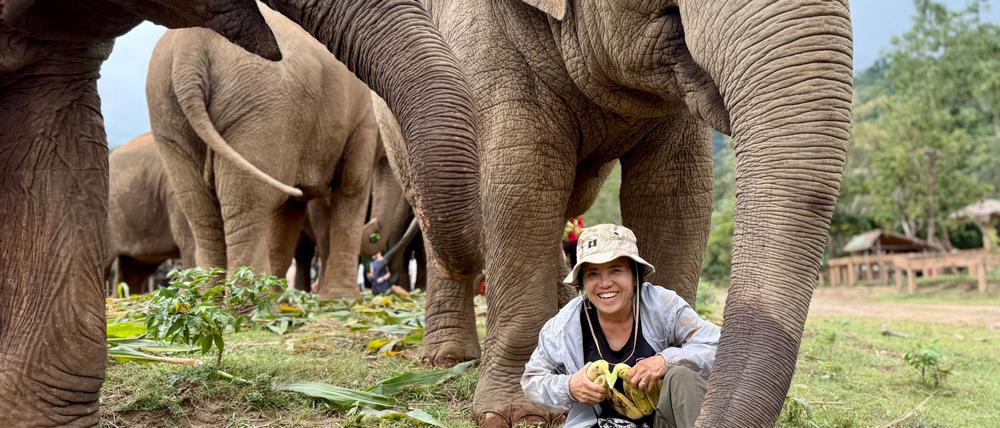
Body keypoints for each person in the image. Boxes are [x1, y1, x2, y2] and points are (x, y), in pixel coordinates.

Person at [522, 224, 720, 428]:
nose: (605, 283)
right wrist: (569, 387)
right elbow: (532, 380)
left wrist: (665, 361)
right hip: (596, 425)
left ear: (635, 275)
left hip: (664, 421)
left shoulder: (664, 306)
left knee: (682, 376)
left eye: (615, 270)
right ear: (582, 282)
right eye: (592, 274)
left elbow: (717, 346)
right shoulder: (564, 326)